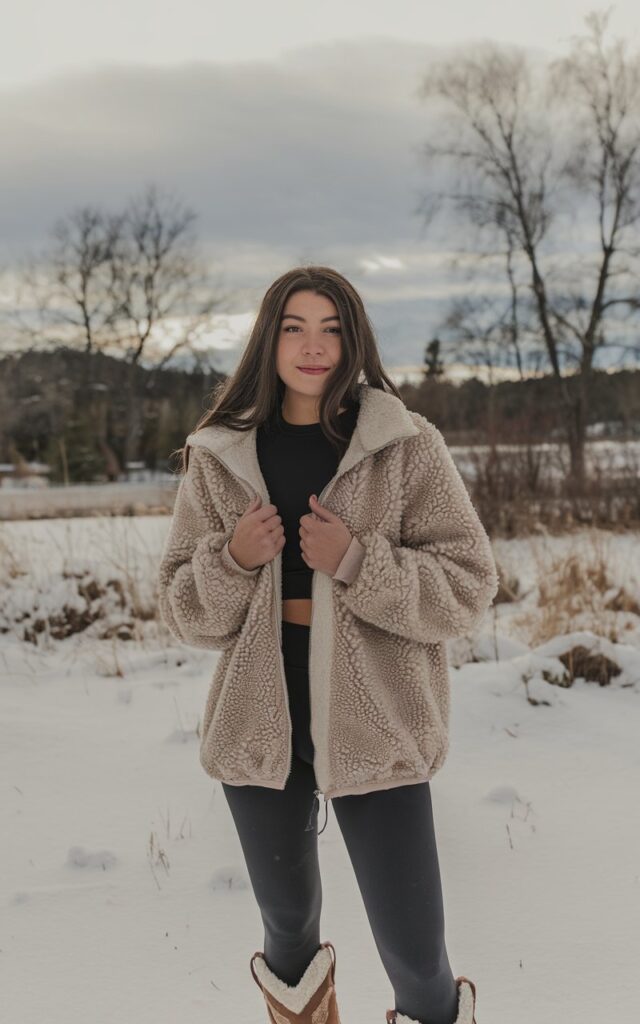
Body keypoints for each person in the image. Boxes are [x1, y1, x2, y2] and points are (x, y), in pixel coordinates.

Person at [157, 265, 497, 1024]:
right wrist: (235, 559)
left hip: (379, 723)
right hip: (259, 726)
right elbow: (185, 611)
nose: (315, 346)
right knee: (287, 935)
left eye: (333, 328)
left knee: (416, 956)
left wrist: (356, 560)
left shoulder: (404, 446)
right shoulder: (219, 457)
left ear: (355, 341)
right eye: (295, 327)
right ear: (268, 339)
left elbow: (469, 586)